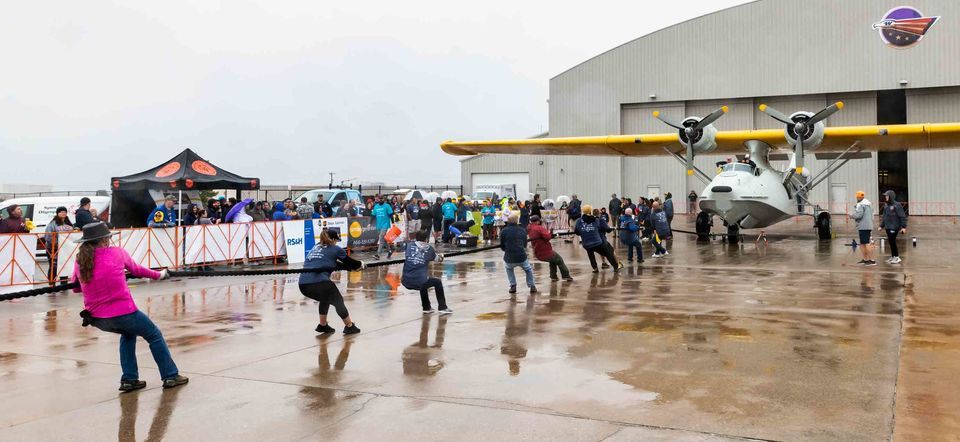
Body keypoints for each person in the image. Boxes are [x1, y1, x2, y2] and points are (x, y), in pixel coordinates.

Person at [71, 222, 188, 391]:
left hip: (97, 318)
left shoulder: (80, 260)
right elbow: (137, 270)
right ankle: (170, 375)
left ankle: (129, 379)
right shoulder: (116, 253)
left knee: (128, 335)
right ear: (104, 240)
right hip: (124, 313)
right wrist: (160, 275)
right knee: (154, 335)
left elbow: (75, 288)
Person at [298, 229, 362, 335]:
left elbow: (333, 263)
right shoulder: (336, 249)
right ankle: (349, 326)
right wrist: (360, 264)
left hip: (303, 285)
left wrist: (350, 268)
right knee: (338, 301)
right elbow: (352, 263)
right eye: (336, 240)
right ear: (332, 239)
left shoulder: (315, 247)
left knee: (325, 298)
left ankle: (323, 325)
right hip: (319, 282)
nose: (336, 242)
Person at [402, 230, 451, 314]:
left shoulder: (409, 245)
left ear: (416, 238)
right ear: (426, 239)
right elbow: (438, 259)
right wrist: (442, 256)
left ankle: (426, 307)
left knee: (424, 281)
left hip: (405, 280)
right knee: (437, 282)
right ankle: (442, 307)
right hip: (419, 281)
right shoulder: (429, 249)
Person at [574, 204, 622, 272]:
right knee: (608, 253)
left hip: (586, 243)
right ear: (590, 211)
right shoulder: (596, 220)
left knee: (591, 255)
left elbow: (576, 231)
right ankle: (615, 267)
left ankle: (595, 268)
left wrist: (584, 231)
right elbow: (601, 228)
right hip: (597, 242)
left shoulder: (579, 221)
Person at [527, 215, 572, 281]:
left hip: (538, 251)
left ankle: (553, 277)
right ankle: (566, 276)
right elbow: (547, 237)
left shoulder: (529, 228)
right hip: (545, 251)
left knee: (553, 261)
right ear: (537, 221)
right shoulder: (539, 228)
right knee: (559, 260)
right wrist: (550, 233)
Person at [500, 214, 537, 294]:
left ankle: (513, 285)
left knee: (509, 268)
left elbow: (502, 245)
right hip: (521, 256)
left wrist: (506, 250)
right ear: (517, 221)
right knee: (528, 269)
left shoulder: (503, 231)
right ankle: (532, 286)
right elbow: (525, 244)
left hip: (509, 256)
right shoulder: (522, 230)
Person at [879, 190, 907, 265]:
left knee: (893, 241)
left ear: (891, 196)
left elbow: (902, 216)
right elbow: (884, 217)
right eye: (885, 196)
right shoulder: (886, 205)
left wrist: (903, 227)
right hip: (888, 227)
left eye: (887, 196)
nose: (886, 197)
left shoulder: (897, 205)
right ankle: (893, 256)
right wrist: (881, 225)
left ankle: (897, 257)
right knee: (890, 242)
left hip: (894, 227)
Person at [850, 190, 875, 266]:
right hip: (867, 226)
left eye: (858, 197)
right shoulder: (868, 204)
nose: (857, 198)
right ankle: (865, 259)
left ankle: (872, 260)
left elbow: (859, 215)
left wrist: (851, 215)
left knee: (866, 243)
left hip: (864, 226)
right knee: (863, 243)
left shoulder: (861, 205)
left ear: (858, 197)